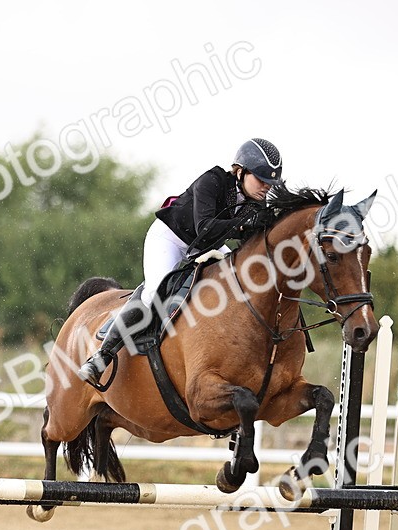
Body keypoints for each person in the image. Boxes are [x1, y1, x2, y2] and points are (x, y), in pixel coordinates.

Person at [76, 138, 284, 386]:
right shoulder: (213, 181)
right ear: (240, 171)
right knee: (154, 294)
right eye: (261, 180)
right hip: (171, 237)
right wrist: (244, 224)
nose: (265, 188)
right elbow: (205, 227)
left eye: (270, 184)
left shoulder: (258, 202)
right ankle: (102, 356)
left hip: (208, 244)